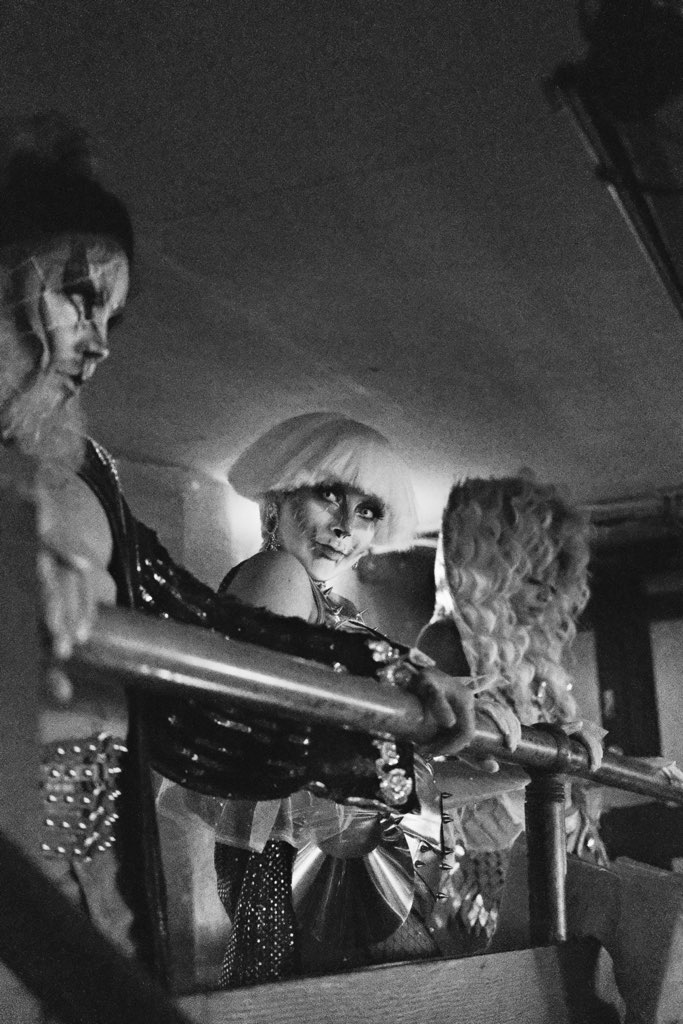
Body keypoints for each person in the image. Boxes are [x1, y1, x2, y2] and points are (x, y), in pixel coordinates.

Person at [0, 115, 478, 993]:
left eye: (110, 311)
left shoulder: (89, 470)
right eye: (75, 294)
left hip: (93, 888)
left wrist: (389, 668)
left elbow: (199, 629)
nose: (99, 341)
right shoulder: (269, 570)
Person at [211, 412, 484, 986]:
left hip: (351, 864)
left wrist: (525, 735)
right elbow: (283, 689)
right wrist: (405, 671)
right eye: (329, 495)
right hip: (294, 865)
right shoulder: (274, 571)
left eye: (366, 512)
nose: (344, 527)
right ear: (278, 500)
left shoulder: (340, 613)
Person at [417, 473, 607, 953]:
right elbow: (425, 771)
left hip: (547, 858)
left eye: (553, 579)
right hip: (477, 874)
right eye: (530, 575)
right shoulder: (445, 642)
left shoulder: (535, 662)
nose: (545, 594)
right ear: (486, 570)